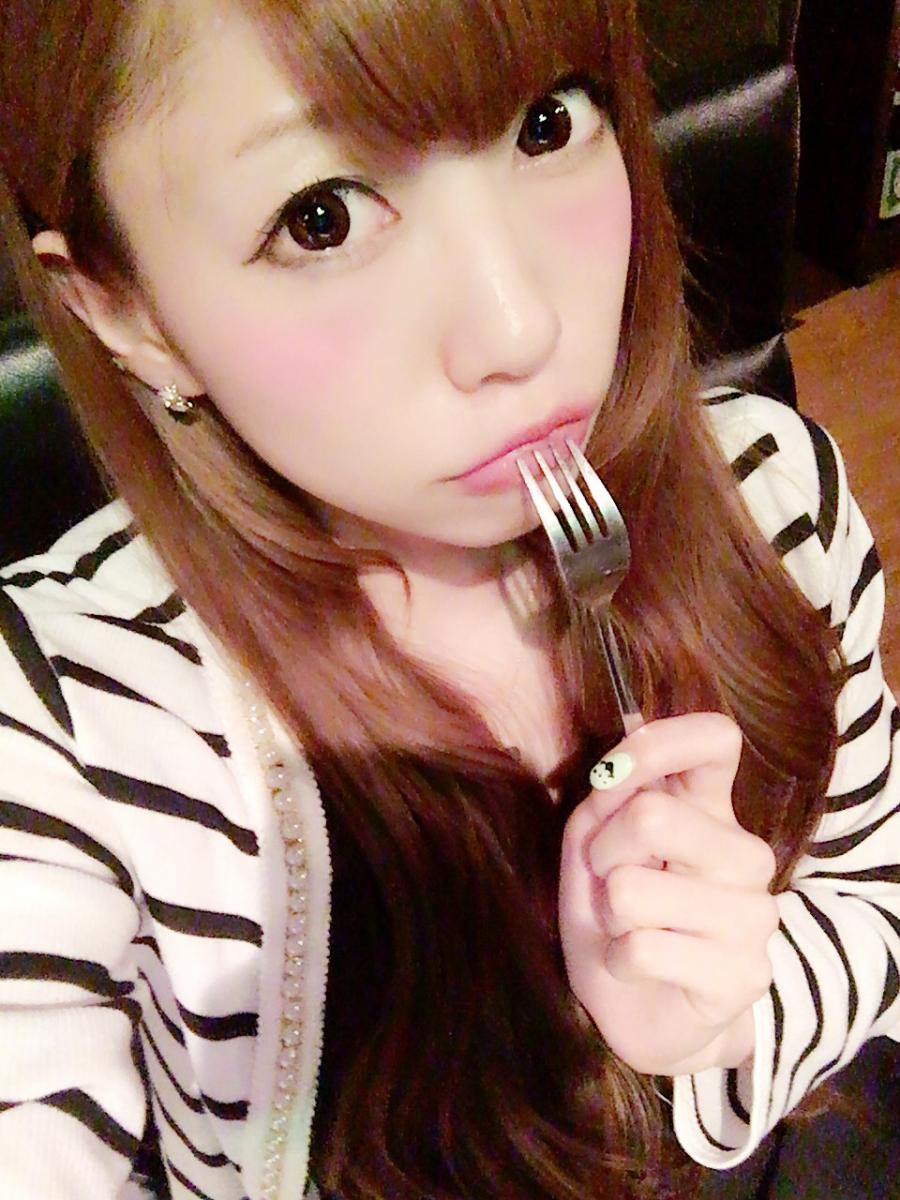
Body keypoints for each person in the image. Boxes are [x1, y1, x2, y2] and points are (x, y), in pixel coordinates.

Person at [0, 0, 896, 1197]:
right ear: (130, 314)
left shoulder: (774, 502)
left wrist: (719, 1029)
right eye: (321, 218)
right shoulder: (68, 727)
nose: (520, 326)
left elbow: (871, 897)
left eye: (547, 123)